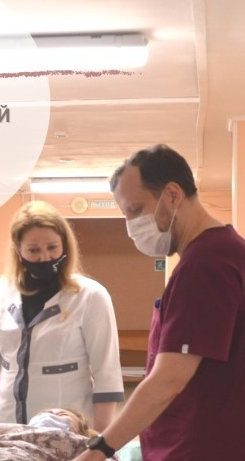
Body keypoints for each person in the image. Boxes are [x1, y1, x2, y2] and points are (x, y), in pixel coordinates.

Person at [74, 144, 245, 460]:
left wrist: (99, 450)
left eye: (136, 210)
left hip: (199, 448)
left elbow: (168, 380)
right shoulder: (228, 251)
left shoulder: (205, 265)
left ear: (172, 195)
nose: (131, 227)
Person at [0, 200, 124, 445]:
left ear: (65, 245)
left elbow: (106, 372)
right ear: (18, 251)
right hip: (6, 423)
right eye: (33, 250)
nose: (44, 257)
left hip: (64, 427)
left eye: (52, 247)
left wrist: (101, 437)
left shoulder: (90, 296)